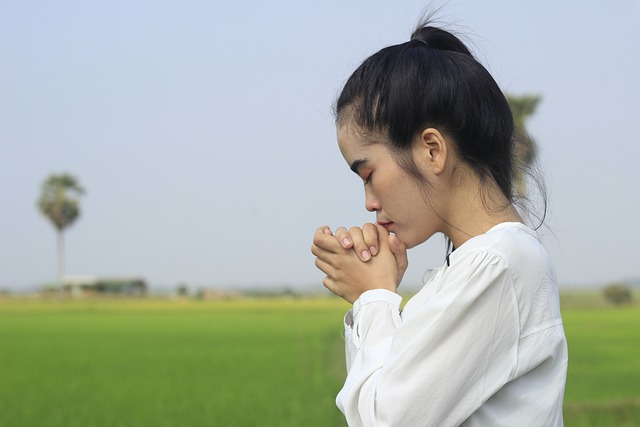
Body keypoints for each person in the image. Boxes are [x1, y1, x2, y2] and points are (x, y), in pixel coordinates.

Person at [311, 21, 568, 427]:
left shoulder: (498, 265)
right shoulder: (482, 265)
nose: (369, 203)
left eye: (368, 174)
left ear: (431, 150)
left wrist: (374, 297)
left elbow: (388, 421)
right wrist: (376, 294)